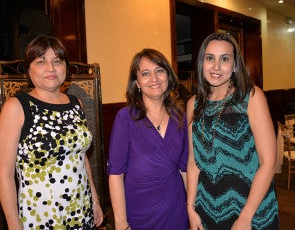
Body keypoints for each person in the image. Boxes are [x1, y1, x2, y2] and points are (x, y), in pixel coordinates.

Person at [0, 35, 103, 229]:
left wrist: (95, 201)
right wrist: (13, 224)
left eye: (57, 61)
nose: (51, 68)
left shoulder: (76, 104)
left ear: (66, 67)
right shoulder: (17, 107)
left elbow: (81, 157)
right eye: (41, 62)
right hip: (41, 217)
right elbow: (3, 173)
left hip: (80, 210)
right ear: (29, 70)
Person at [186, 32, 279, 230]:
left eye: (225, 59)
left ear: (235, 65)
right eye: (210, 58)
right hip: (207, 208)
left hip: (251, 209)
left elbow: (268, 162)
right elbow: (193, 162)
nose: (216, 66)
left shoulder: (251, 97)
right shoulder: (193, 105)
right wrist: (190, 208)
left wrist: (245, 218)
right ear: (202, 62)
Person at [108, 48, 189, 230]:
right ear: (137, 82)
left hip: (175, 208)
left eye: (159, 70)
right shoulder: (125, 118)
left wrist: (191, 209)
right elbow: (115, 175)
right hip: (139, 211)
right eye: (145, 73)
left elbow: (185, 170)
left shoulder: (180, 117)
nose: (154, 78)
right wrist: (121, 223)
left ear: (168, 76)